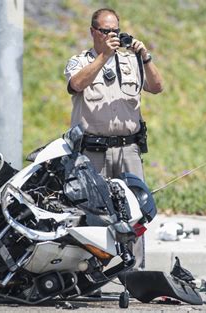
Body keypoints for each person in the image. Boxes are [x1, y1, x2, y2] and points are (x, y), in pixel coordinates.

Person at [64, 8, 163, 269]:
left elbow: (157, 86)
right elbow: (76, 84)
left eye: (115, 31)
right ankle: (90, 274)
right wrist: (104, 56)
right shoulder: (80, 61)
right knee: (91, 213)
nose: (111, 36)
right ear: (93, 32)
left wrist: (146, 57)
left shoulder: (131, 61)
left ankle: (134, 273)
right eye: (105, 31)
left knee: (135, 212)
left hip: (128, 149)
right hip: (92, 152)